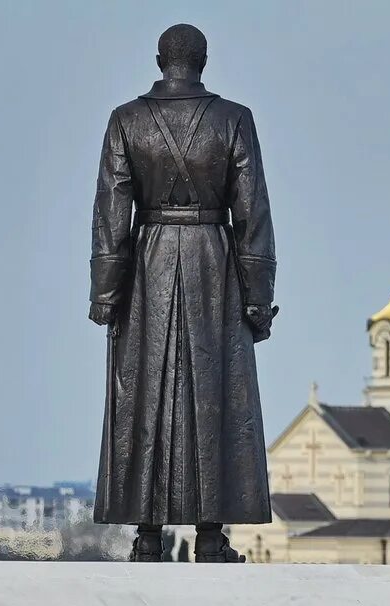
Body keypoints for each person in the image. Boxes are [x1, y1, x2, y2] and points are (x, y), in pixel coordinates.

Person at [88, 24, 277, 563]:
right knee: (216, 392)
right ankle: (212, 537)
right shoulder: (233, 119)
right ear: (204, 61)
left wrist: (105, 292)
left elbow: (110, 213)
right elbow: (252, 212)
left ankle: (147, 538)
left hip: (146, 264)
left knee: (143, 393)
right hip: (215, 264)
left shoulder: (125, 120)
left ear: (159, 60)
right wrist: (258, 298)